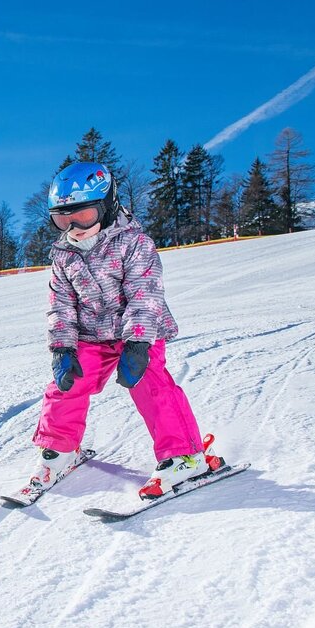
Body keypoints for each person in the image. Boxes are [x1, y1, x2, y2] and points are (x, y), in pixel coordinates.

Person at [27, 161, 219, 500]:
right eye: (62, 219)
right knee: (67, 384)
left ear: (107, 205)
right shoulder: (63, 255)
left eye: (82, 216)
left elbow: (145, 295)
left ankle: (184, 456)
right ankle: (61, 449)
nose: (73, 226)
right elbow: (60, 304)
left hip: (139, 333)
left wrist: (138, 344)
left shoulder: (133, 243)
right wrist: (62, 348)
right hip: (91, 335)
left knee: (150, 383)